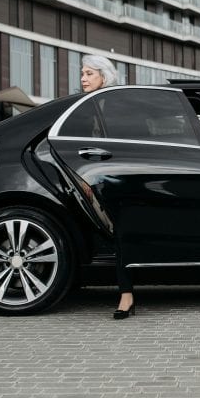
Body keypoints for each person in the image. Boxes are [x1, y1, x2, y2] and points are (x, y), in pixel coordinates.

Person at [78, 54, 134, 320]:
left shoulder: (112, 105)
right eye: (83, 73)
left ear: (104, 75)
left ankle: (126, 295)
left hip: (118, 179)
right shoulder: (87, 106)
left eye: (89, 73)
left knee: (123, 236)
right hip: (97, 180)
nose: (83, 78)